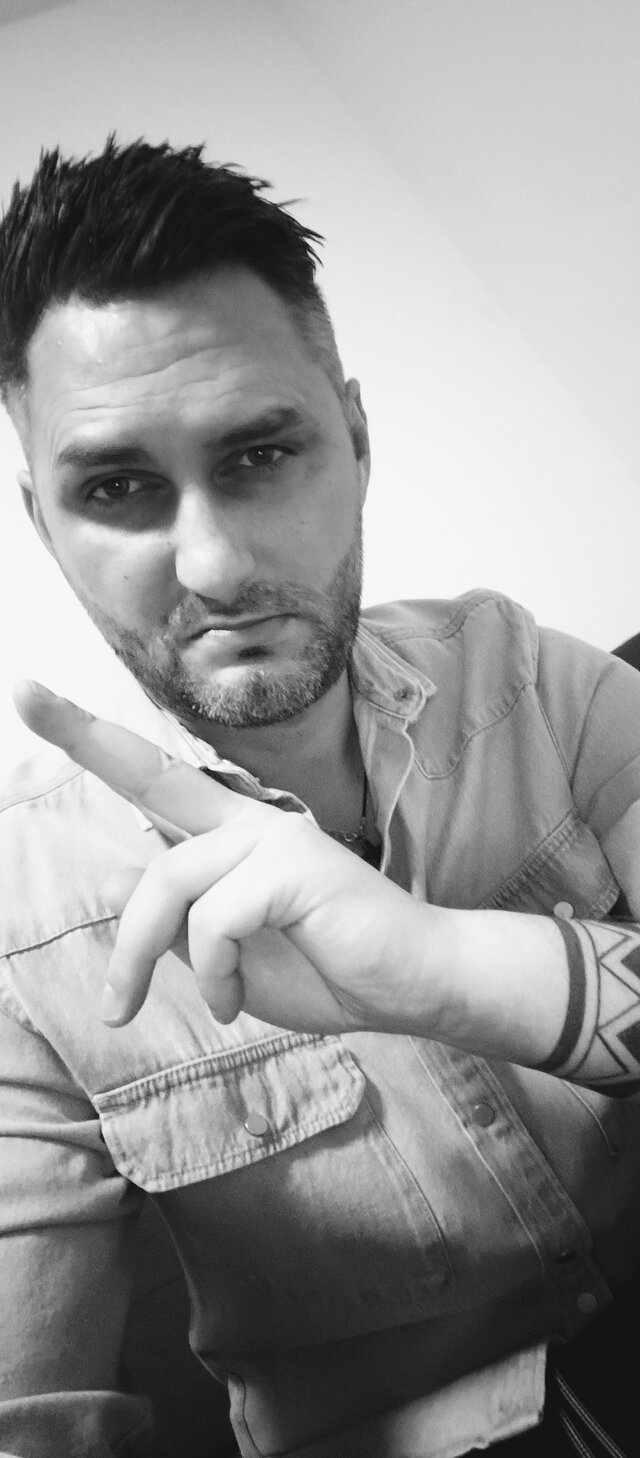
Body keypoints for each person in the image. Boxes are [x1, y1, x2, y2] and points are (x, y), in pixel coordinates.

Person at [2, 137, 640, 1458]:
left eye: (259, 452)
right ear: (40, 518)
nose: (214, 563)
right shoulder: (19, 930)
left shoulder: (528, 676)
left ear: (354, 434)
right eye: (116, 487)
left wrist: (447, 965)